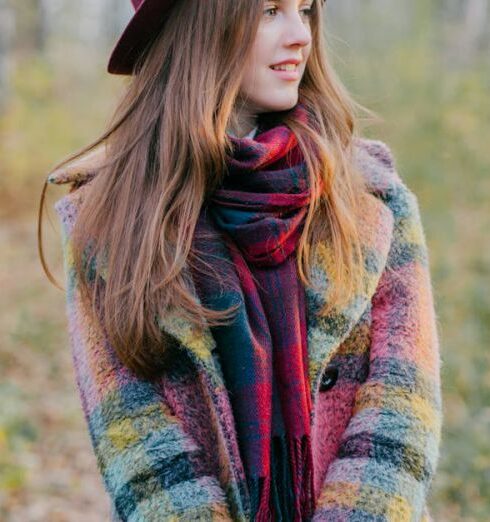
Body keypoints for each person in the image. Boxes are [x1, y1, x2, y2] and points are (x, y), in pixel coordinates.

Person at [38, 0, 442, 520]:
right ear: (199, 27)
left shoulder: (371, 198)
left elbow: (404, 401)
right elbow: (132, 430)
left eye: (306, 9)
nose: (301, 34)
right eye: (271, 10)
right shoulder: (111, 218)